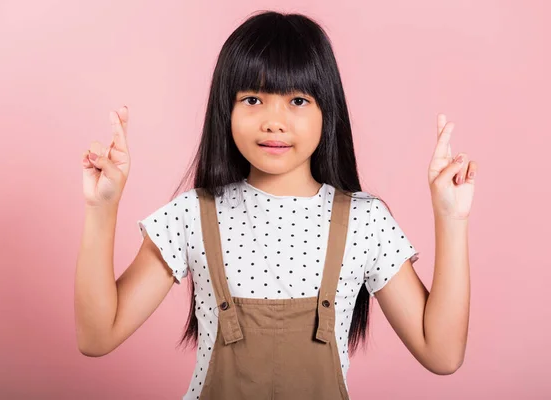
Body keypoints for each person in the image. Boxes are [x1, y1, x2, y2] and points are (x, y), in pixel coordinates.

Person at [75, 10, 477, 400]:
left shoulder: (365, 220)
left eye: (298, 101)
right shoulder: (191, 214)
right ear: (225, 109)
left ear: (327, 110)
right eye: (253, 99)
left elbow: (441, 354)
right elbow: (97, 336)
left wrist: (451, 217)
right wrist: (101, 208)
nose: (274, 121)